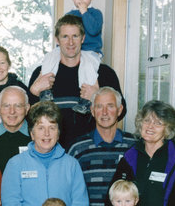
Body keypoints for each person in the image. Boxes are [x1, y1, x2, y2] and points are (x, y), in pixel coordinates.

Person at [27, 15, 125, 149]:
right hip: (51, 150)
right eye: (65, 36)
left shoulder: (102, 73)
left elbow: (121, 111)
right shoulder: (42, 73)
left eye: (75, 36)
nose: (70, 42)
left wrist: (98, 98)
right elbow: (28, 116)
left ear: (83, 38)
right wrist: (33, 91)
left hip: (89, 151)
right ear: (57, 39)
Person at [1, 100, 89, 206]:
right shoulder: (15, 164)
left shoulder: (71, 164)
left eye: (52, 127)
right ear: (32, 133)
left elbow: (81, 205)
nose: (46, 133)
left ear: (59, 133)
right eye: (41, 128)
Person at [35, 0, 106, 115]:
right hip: (71, 53)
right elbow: (63, 33)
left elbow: (92, 30)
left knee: (88, 70)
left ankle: (85, 101)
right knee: (50, 57)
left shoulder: (95, 13)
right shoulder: (69, 14)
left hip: (90, 51)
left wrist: (84, 12)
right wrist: (58, 53)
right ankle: (46, 91)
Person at [67, 86, 137, 206]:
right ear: (92, 111)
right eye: (99, 107)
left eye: (110, 106)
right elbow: (67, 191)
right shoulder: (77, 148)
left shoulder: (133, 145)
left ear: (119, 110)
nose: (104, 112)